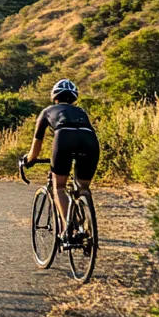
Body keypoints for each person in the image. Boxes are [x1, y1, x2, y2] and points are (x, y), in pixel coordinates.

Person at [24, 79, 99, 244]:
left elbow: (36, 146)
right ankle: (86, 228)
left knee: (59, 187)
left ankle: (68, 228)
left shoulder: (47, 112)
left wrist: (29, 160)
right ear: (74, 98)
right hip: (89, 140)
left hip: (64, 137)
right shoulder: (81, 111)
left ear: (54, 96)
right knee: (83, 187)